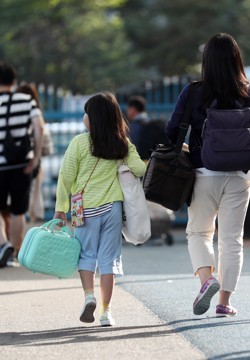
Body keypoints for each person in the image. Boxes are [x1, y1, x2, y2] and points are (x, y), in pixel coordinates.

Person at [165, 33, 250, 317]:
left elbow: (172, 131)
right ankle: (224, 303)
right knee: (232, 239)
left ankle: (208, 281)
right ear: (236, 59)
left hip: (203, 172)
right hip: (241, 175)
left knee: (198, 231)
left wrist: (182, 147)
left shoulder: (193, 92)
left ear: (206, 61)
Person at [54, 92, 146, 326]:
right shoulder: (122, 143)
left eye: (87, 112)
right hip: (112, 209)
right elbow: (140, 169)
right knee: (109, 259)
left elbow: (66, 177)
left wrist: (60, 209)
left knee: (86, 255)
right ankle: (106, 312)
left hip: (83, 209)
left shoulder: (79, 143)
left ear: (92, 118)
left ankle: (89, 297)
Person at [0, 63, 43, 268]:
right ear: (14, 81)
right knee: (18, 210)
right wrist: (34, 157)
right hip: (21, 165)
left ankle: (2, 244)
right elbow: (39, 128)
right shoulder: (26, 101)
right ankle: (15, 252)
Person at [16, 83, 50, 222]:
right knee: (35, 195)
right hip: (35, 160)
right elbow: (43, 136)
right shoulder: (35, 111)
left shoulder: (16, 110)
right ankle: (33, 224)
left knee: (19, 200)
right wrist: (36, 158)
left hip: (20, 159)